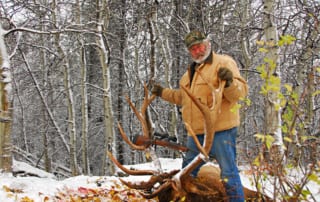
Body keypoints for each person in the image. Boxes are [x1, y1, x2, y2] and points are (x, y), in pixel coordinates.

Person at [151, 30, 248, 201]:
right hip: (196, 134)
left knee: (228, 172)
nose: (198, 51)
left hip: (221, 130)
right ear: (189, 51)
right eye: (193, 49)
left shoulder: (223, 63)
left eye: (200, 46)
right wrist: (162, 92)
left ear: (208, 44)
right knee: (186, 173)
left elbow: (239, 94)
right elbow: (183, 98)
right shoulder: (188, 74)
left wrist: (230, 83)